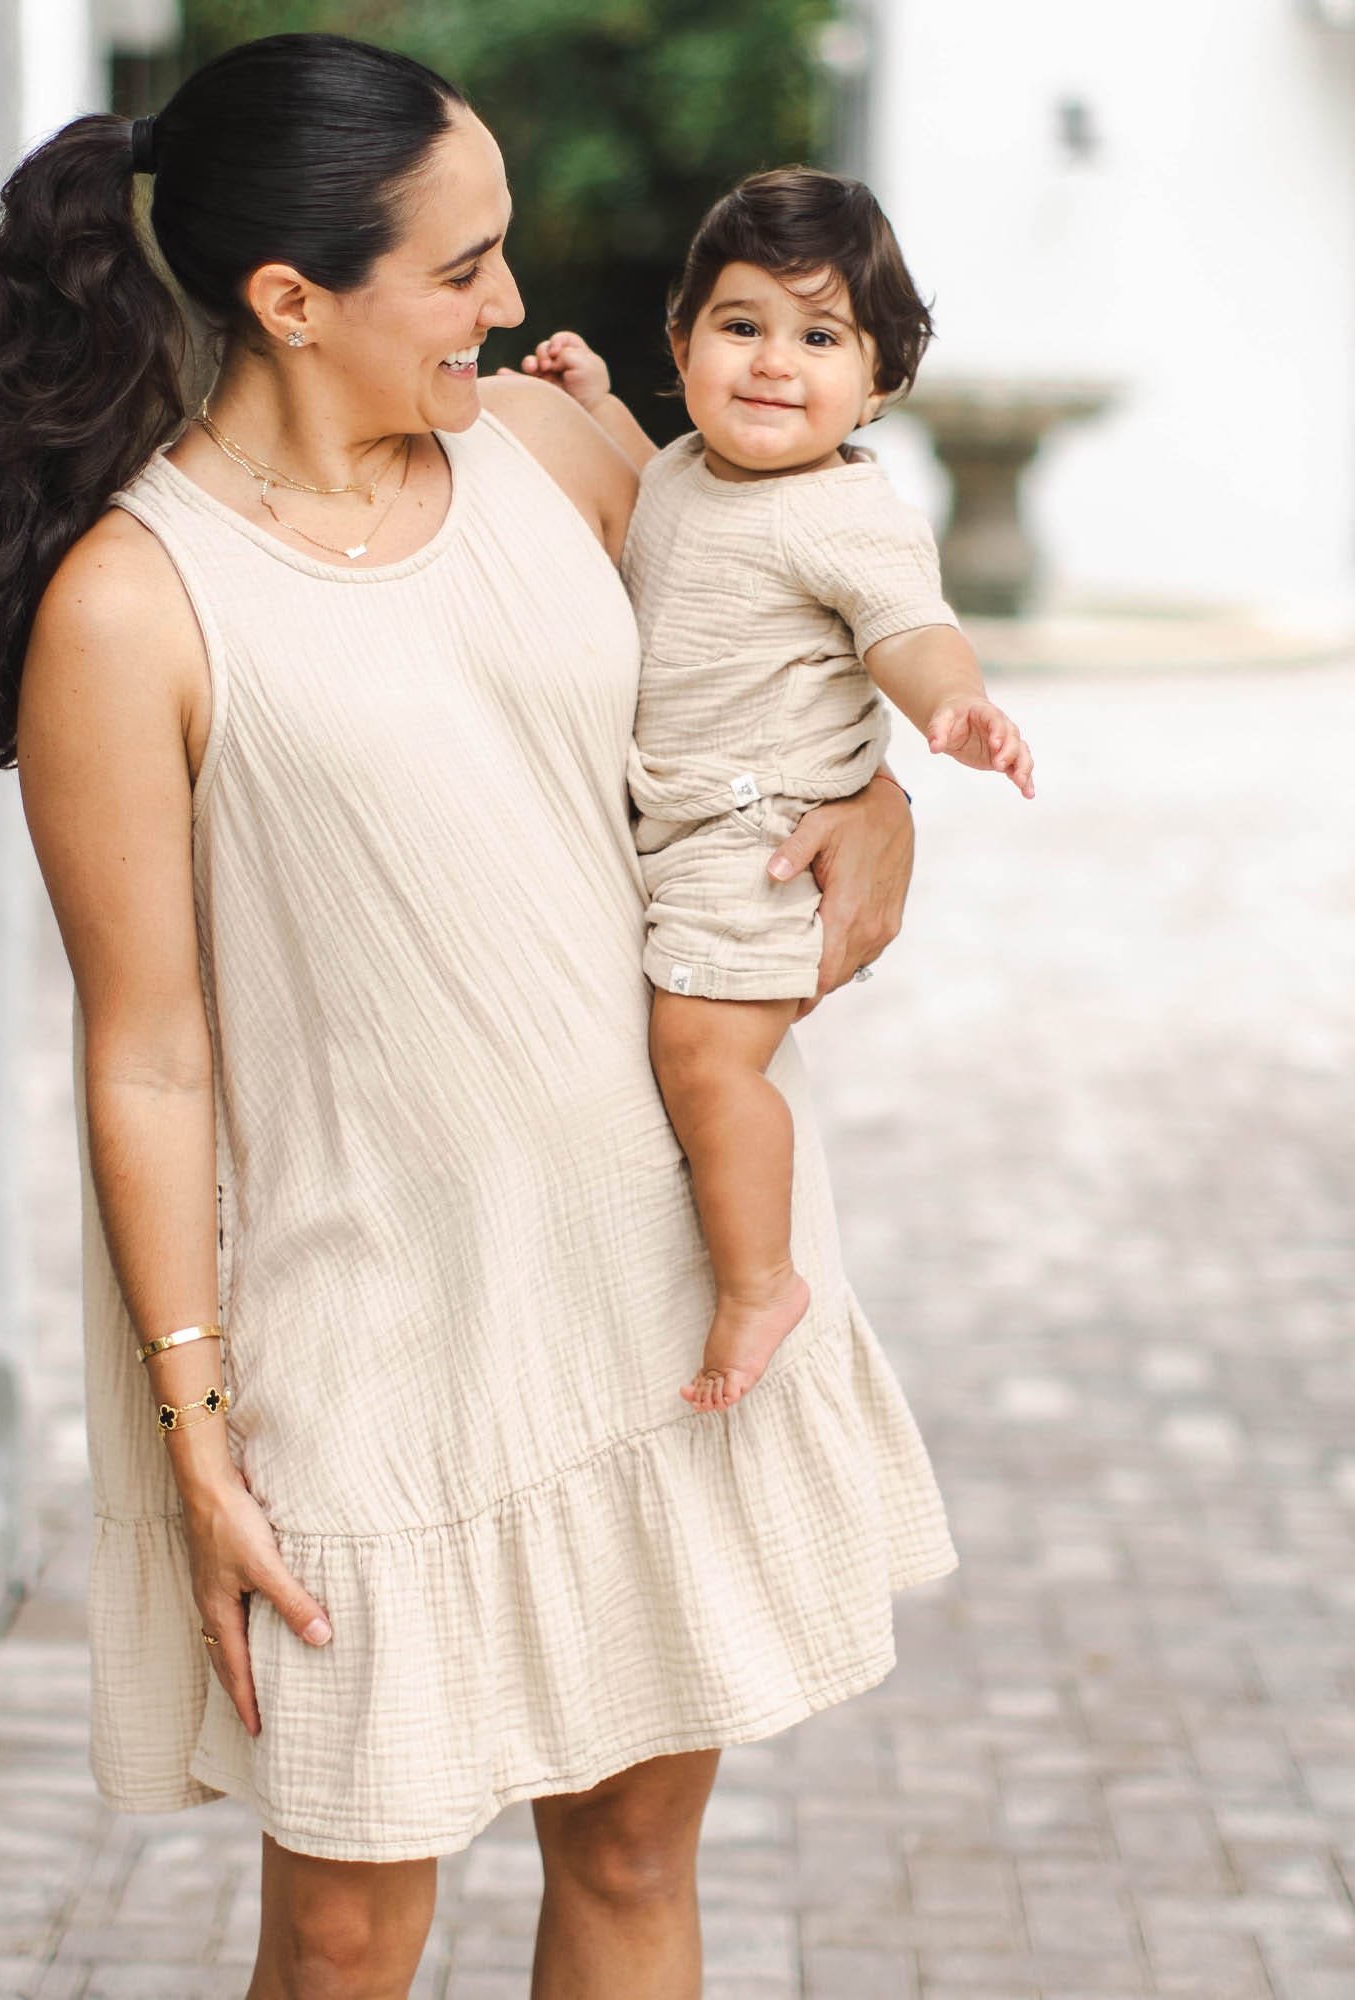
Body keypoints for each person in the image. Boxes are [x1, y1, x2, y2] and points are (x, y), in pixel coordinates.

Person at [0, 34, 957, 2000]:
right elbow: (145, 1051)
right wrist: (194, 1428)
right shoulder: (132, 608)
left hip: (656, 1279)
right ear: (291, 300)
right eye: (463, 268)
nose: (515, 305)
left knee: (636, 1849)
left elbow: (763, 690)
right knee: (353, 1920)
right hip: (362, 1334)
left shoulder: (550, 457)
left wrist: (878, 802)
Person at [514, 168, 1034, 1415]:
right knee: (678, 1047)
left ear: (881, 383)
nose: (772, 363)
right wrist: (592, 406)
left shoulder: (847, 515)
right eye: (741, 326)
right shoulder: (693, 466)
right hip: (684, 818)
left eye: (820, 337)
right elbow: (654, 513)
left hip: (760, 835)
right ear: (683, 339)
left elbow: (910, 626)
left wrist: (949, 706)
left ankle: (759, 1279)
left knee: (701, 1053)